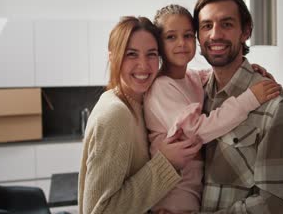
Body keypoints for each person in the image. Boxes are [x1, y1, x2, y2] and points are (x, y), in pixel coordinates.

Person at [144, 4, 281, 213]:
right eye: (171, 37)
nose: (181, 43)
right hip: (173, 197)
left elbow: (212, 75)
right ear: (158, 44)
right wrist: (250, 98)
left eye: (188, 35)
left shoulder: (191, 78)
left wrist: (249, 70)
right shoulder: (161, 87)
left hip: (193, 190)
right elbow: (198, 130)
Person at [194, 0, 283, 213]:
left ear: (246, 31)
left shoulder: (276, 104)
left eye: (226, 24)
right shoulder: (193, 94)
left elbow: (277, 204)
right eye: (206, 26)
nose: (215, 34)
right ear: (198, 36)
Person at [78, 16, 203, 214]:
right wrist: (165, 164)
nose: (143, 65)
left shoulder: (140, 101)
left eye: (151, 54)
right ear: (112, 57)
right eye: (131, 54)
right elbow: (99, 211)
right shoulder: (116, 114)